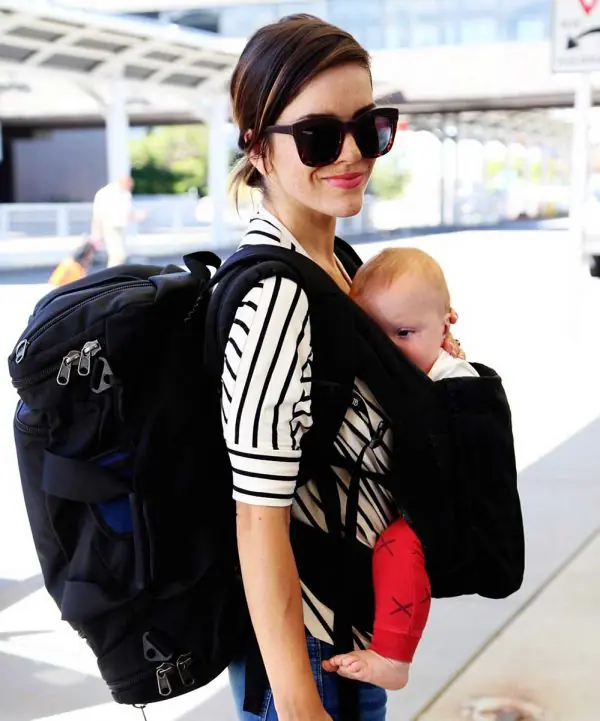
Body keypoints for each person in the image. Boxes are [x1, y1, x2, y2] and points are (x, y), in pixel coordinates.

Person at [222, 15, 463, 721]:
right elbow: (256, 519)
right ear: (259, 148)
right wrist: (299, 702)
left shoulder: (335, 266)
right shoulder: (276, 295)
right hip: (310, 652)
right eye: (319, 135)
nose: (353, 152)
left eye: (369, 127)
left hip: (346, 631)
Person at [322, 247, 478, 691]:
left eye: (405, 332)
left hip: (446, 513)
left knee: (397, 547)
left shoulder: (453, 379)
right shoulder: (414, 370)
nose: (389, 350)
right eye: (375, 337)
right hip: (415, 506)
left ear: (447, 324)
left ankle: (394, 657)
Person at [90, 175, 143, 267]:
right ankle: (112, 273)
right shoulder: (107, 192)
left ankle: (116, 272)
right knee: (117, 255)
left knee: (121, 255)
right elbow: (98, 213)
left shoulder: (125, 193)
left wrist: (136, 215)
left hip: (119, 226)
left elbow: (126, 212)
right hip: (109, 225)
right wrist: (96, 232)